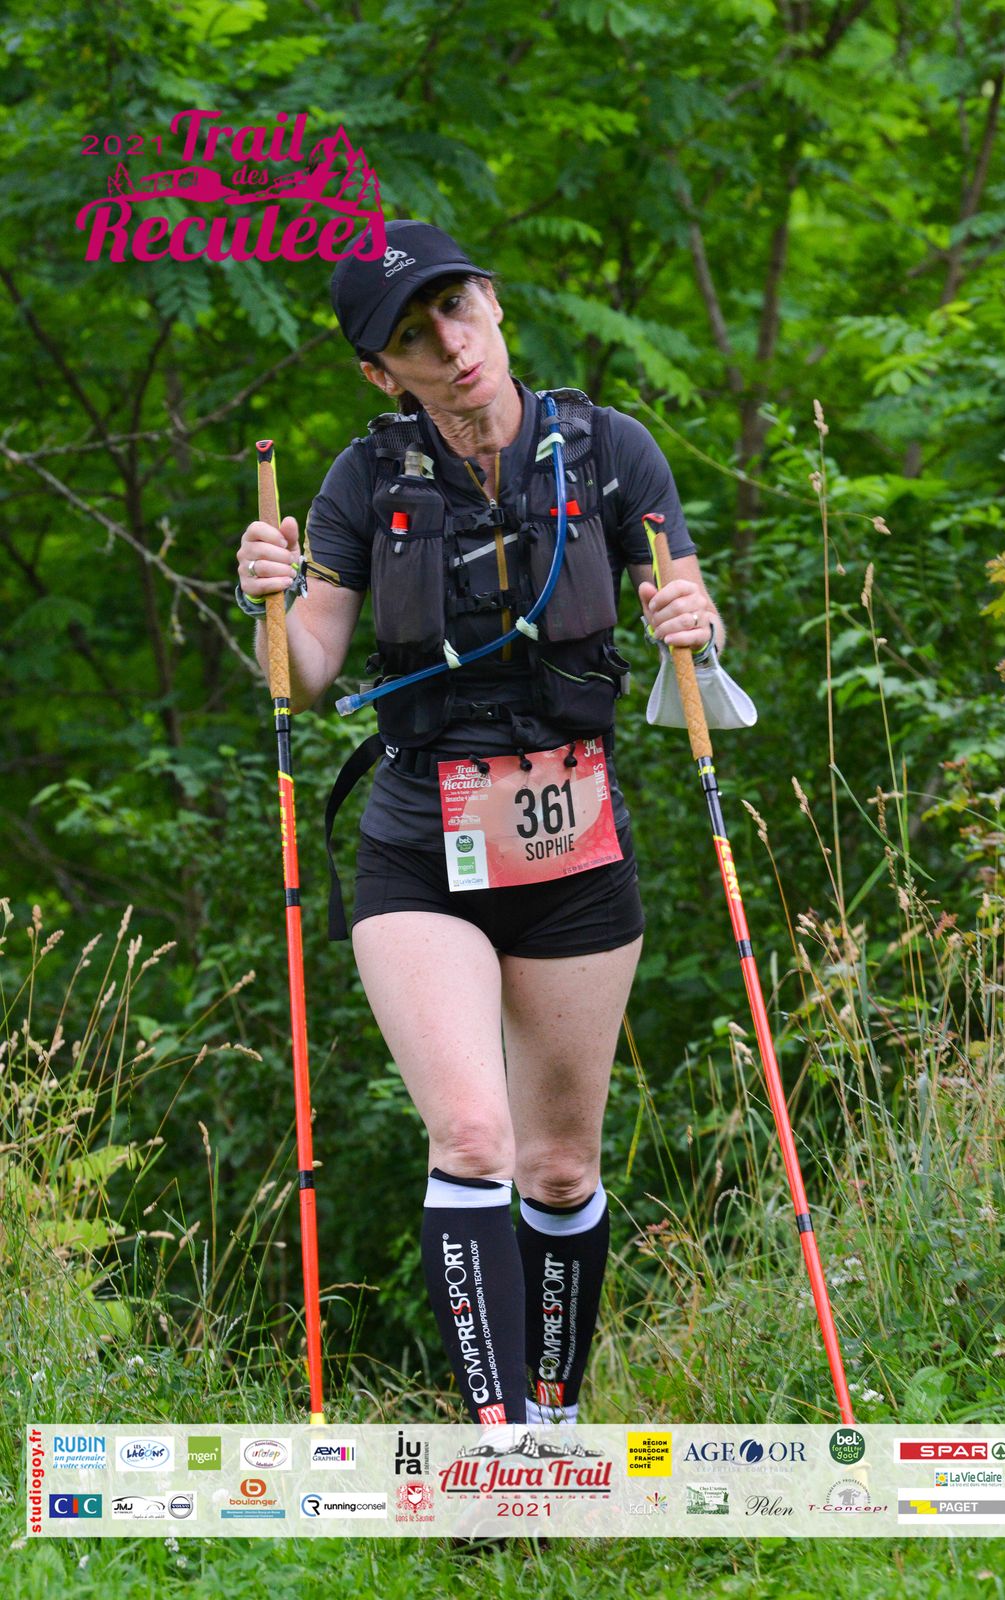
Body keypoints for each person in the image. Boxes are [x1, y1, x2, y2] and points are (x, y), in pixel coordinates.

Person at [236, 219, 724, 1431]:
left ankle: (554, 1424)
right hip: (420, 843)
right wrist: (268, 603)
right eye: (412, 336)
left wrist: (694, 621)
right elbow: (306, 673)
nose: (449, 344)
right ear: (382, 371)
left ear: (493, 302)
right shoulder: (363, 481)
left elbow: (688, 614)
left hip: (574, 843)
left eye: (456, 308)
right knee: (468, 1132)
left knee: (559, 1165)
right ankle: (501, 1449)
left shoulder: (611, 451)